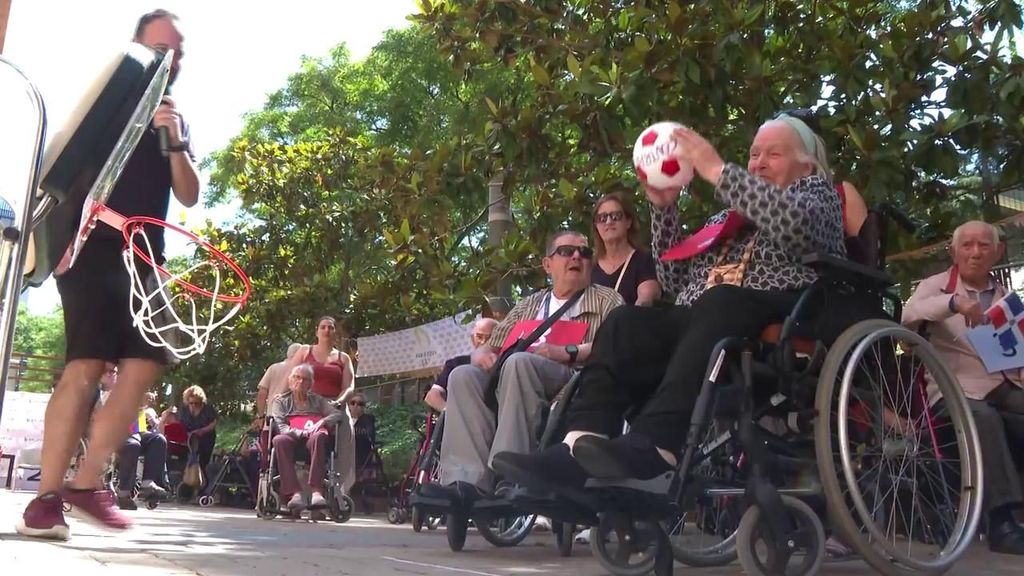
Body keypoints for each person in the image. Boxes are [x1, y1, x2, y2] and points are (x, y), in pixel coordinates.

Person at [494, 116, 846, 494]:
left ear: (806, 164)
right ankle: (575, 446)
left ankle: (657, 446)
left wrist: (715, 169)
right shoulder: (727, 221)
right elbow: (676, 282)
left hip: (779, 314)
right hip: (706, 320)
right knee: (626, 321)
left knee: (719, 300)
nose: (757, 162)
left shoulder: (817, 196)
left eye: (772, 154)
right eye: (753, 153)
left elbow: (794, 223)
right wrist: (664, 210)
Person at [16, 9, 199, 540]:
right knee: (86, 365)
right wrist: (57, 241)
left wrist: (176, 140)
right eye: (163, 49)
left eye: (179, 52)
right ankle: (46, 499)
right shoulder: (110, 102)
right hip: (91, 244)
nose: (173, 59)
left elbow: (187, 193)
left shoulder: (173, 117)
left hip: (144, 255)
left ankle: (85, 481)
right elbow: (65, 167)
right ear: (138, 48)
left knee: (146, 365)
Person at [419, 230, 624, 503]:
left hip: (572, 379)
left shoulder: (606, 300)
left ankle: (509, 475)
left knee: (518, 362)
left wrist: (566, 352)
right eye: (566, 251)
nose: (576, 256)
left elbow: (614, 348)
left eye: (584, 252)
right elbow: (494, 342)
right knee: (463, 375)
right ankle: (466, 482)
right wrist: (481, 352)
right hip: (514, 376)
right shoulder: (531, 303)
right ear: (547, 264)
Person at [902, 220, 1024, 555]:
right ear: (954, 253)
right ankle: (1000, 522)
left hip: (1004, 385)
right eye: (967, 245)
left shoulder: (1007, 299)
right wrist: (954, 304)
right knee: (983, 419)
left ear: (998, 252)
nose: (975, 253)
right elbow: (908, 315)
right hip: (954, 392)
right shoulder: (936, 286)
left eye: (984, 246)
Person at [270, 364, 348, 511]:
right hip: (292, 440)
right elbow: (282, 427)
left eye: (304, 379)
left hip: (313, 441)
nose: (300, 381)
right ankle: (295, 494)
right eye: (296, 377)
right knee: (279, 440)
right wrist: (302, 432)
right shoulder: (281, 402)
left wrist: (322, 422)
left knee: (319, 437)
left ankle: (317, 492)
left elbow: (337, 414)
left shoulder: (317, 400)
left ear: (311, 384)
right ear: (290, 381)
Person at [590, 191, 661, 306]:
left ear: (628, 222)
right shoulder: (589, 266)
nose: (609, 222)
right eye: (602, 218)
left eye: (615, 216)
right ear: (596, 226)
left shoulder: (645, 259)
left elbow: (646, 299)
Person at [423, 318, 498, 412]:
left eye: (489, 338)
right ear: (472, 338)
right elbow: (432, 396)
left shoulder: (503, 363)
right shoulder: (456, 364)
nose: (483, 342)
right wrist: (451, 413)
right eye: (479, 336)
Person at [116, 391, 169, 510]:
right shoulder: (108, 394)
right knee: (133, 445)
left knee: (158, 439)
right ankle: (124, 492)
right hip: (115, 435)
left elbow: (138, 429)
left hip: (134, 433)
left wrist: (143, 413)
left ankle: (147, 484)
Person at [287, 316, 355, 402]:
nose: (326, 330)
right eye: (323, 327)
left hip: (335, 407)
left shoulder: (344, 358)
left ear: (335, 332)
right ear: (317, 332)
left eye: (330, 328)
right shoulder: (305, 351)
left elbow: (349, 388)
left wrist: (337, 403)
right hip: (307, 405)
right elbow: (289, 378)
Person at [170, 385, 218, 474]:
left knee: (203, 461)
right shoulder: (184, 409)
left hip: (205, 436)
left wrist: (202, 431)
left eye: (197, 403)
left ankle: (201, 479)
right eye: (191, 403)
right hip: (187, 438)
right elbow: (179, 423)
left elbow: (214, 423)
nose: (194, 405)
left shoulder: (207, 408)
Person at [256, 342, 302, 418]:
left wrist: (261, 416)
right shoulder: (304, 371)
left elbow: (262, 394)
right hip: (295, 420)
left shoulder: (273, 368)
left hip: (272, 418)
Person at [349, 392, 376, 475]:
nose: (355, 406)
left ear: (364, 407)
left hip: (361, 454)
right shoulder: (343, 419)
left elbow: (369, 434)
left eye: (360, 404)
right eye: (353, 403)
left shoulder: (367, 419)